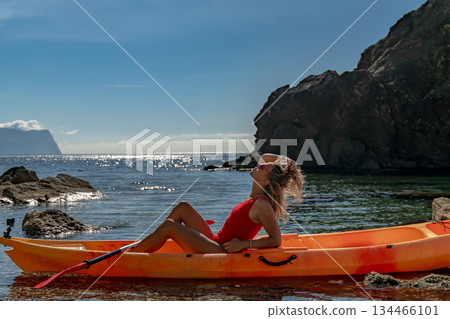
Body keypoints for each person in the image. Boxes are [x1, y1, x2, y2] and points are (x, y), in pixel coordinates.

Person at [132, 153, 304, 254]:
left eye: (262, 168)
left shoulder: (261, 204)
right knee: (183, 207)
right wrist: (285, 164)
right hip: (214, 242)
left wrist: (245, 245)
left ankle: (133, 256)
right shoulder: (254, 196)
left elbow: (276, 240)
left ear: (266, 181)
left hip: (221, 251)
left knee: (169, 225)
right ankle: (159, 243)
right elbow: (267, 158)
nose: (258, 165)